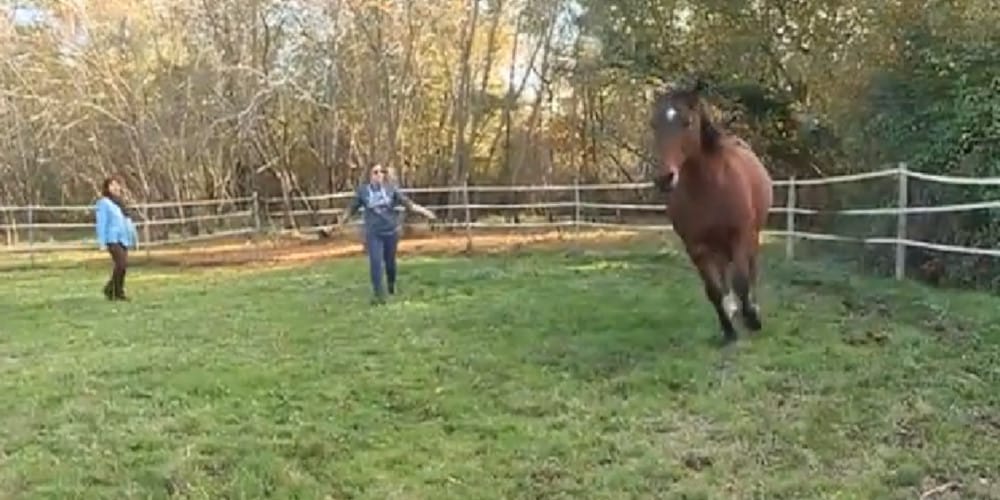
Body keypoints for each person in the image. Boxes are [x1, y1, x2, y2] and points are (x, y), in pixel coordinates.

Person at [337, 163, 436, 304]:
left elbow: (409, 205)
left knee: (390, 263)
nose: (379, 175)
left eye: (381, 172)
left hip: (390, 231)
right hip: (373, 233)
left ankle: (391, 285)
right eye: (375, 172)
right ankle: (379, 295)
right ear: (370, 175)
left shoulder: (391, 190)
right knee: (376, 263)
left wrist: (425, 212)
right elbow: (351, 209)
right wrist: (341, 222)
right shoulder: (363, 192)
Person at [94, 176, 138, 301]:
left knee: (123, 266)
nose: (115, 187)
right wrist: (102, 242)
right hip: (112, 238)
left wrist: (133, 237)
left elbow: (127, 221)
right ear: (107, 188)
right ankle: (111, 289)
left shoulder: (121, 203)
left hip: (124, 238)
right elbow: (101, 223)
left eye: (117, 184)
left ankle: (117, 291)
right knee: (121, 264)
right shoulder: (104, 203)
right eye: (112, 185)